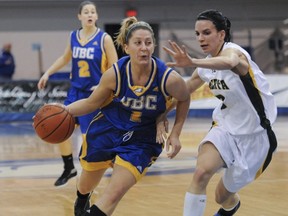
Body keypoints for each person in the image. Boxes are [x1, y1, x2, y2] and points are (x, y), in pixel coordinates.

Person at [65, 16, 190, 216]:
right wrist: (64, 111)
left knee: (114, 194)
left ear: (154, 45)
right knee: (86, 184)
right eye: (138, 43)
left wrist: (175, 133)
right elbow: (91, 103)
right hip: (107, 129)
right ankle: (82, 198)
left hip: (142, 138)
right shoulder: (114, 74)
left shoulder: (168, 78)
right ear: (126, 46)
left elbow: (184, 97)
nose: (144, 48)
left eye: (148, 43)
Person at [163, 9, 278, 216]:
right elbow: (184, 92)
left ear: (222, 34)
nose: (200, 38)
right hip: (225, 127)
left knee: (222, 197)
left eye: (206, 33)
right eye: (197, 34)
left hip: (257, 136)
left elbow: (229, 63)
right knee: (200, 174)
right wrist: (161, 115)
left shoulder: (235, 52)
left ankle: (231, 207)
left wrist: (192, 62)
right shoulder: (205, 67)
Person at [37, 1, 118, 187]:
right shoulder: (73, 36)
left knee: (88, 140)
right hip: (75, 91)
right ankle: (68, 168)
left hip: (94, 96)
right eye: (86, 12)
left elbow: (115, 66)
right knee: (59, 127)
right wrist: (47, 72)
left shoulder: (104, 38)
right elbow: (65, 58)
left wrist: (102, 84)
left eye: (93, 12)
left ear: (97, 16)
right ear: (79, 16)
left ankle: (97, 174)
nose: (90, 14)